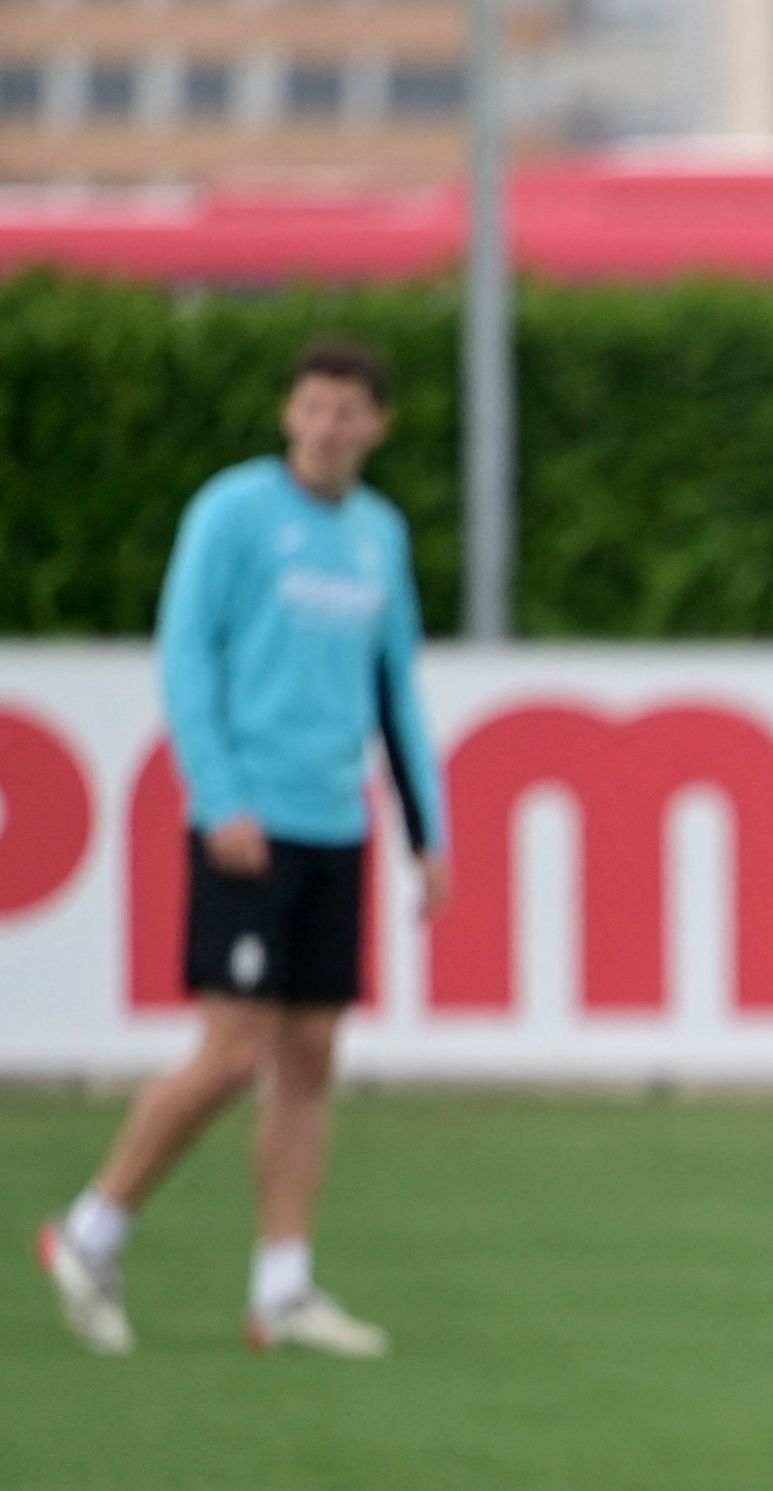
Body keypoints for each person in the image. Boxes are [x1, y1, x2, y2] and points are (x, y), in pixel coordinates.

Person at [35, 338, 449, 1359]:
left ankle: (285, 1282)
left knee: (310, 1056)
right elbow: (186, 655)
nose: (327, 425)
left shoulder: (377, 535)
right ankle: (92, 1228)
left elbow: (395, 686)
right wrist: (218, 795)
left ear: (377, 426)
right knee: (232, 1054)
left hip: (334, 822)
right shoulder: (233, 514)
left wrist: (426, 830)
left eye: (349, 410)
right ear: (288, 415)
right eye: (313, 406)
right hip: (248, 825)